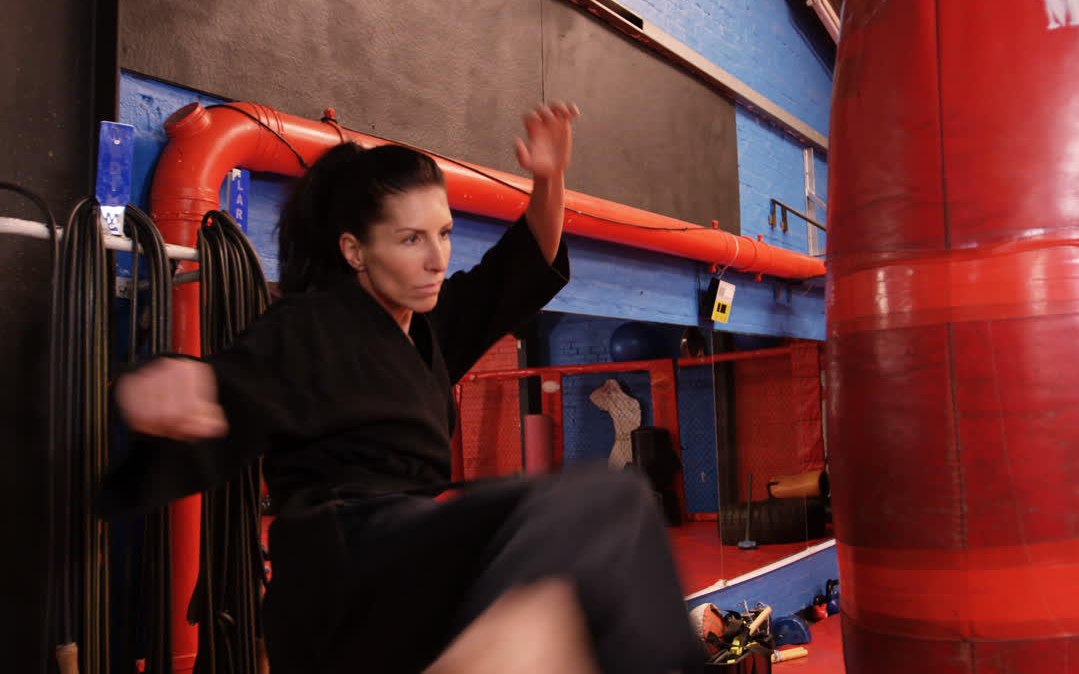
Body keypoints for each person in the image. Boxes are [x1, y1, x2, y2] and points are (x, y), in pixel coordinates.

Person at [99, 102, 705, 674]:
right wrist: (156, 392)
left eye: (442, 234)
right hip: (342, 566)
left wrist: (550, 180)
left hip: (408, 556)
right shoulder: (312, 325)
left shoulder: (433, 329)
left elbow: (524, 262)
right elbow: (226, 388)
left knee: (618, 516)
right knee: (596, 506)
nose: (437, 258)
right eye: (411, 239)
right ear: (354, 251)